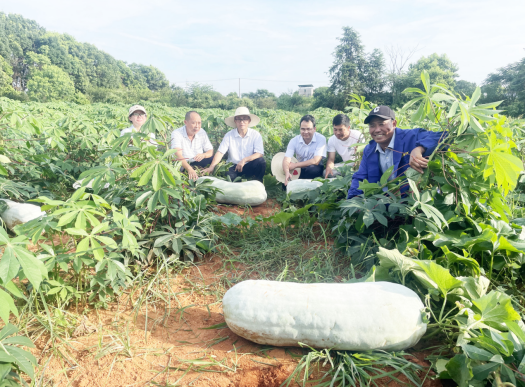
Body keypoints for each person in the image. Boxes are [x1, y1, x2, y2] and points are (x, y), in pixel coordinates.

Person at [347, 106, 447, 199]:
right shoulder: (369, 149)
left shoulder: (411, 137)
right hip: (383, 202)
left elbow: (444, 136)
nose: (377, 130)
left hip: (413, 201)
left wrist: (419, 149)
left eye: (382, 124)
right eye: (372, 125)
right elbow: (360, 177)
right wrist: (353, 198)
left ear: (394, 124)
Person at [202, 107, 265, 182]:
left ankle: (258, 182)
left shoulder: (255, 135)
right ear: (235, 121)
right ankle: (238, 184)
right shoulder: (229, 135)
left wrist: (244, 160)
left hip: (248, 165)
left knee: (261, 162)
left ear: (249, 120)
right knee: (231, 178)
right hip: (233, 166)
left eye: (244, 119)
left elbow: (259, 153)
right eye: (239, 119)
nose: (242, 122)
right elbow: (220, 152)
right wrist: (211, 167)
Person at [282, 115, 327, 186]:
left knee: (312, 170)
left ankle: (302, 183)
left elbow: (316, 161)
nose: (305, 132)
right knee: (285, 181)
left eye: (308, 129)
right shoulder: (294, 141)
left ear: (314, 129)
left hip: (314, 167)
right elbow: (286, 159)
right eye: (303, 129)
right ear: (300, 129)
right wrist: (287, 172)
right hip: (299, 168)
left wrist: (295, 165)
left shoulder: (321, 139)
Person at [170, 111, 213, 180]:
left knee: (213, 159)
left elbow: (210, 151)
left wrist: (203, 155)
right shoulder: (177, 133)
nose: (197, 126)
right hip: (183, 164)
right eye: (193, 123)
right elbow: (178, 155)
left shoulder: (201, 132)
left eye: (199, 123)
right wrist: (189, 169)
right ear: (185, 122)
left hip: (197, 162)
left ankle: (203, 172)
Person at [325, 114, 365, 178]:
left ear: (348, 128)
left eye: (341, 130)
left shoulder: (357, 136)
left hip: (358, 164)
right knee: (326, 172)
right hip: (345, 165)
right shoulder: (332, 140)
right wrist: (329, 167)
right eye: (335, 129)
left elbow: (362, 157)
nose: (338, 133)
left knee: (358, 172)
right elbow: (331, 159)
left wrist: (357, 164)